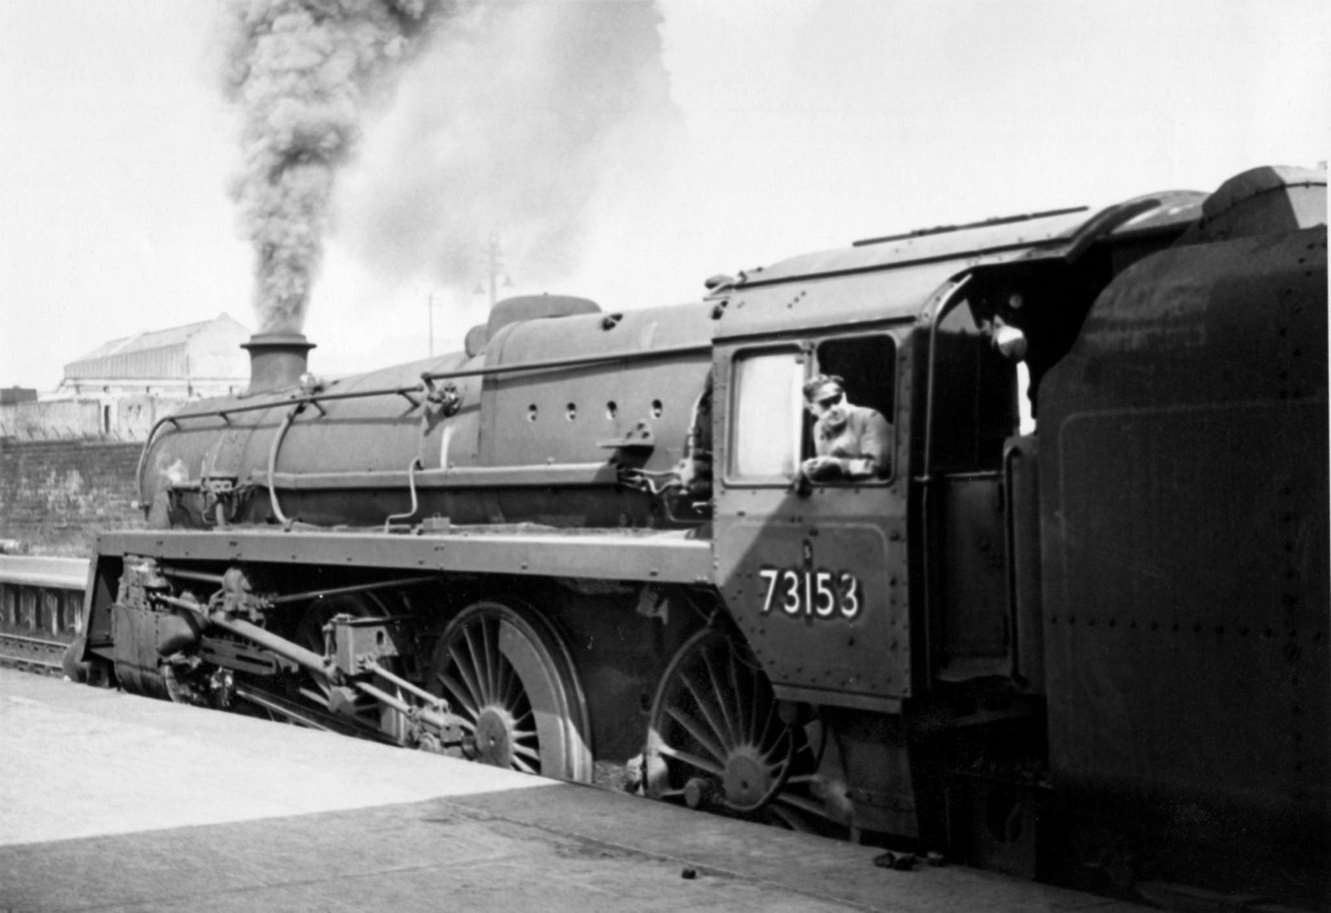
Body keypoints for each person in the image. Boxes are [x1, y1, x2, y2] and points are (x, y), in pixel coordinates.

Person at [800, 374, 891, 481]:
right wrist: (805, 473)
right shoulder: (818, 427)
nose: (834, 408)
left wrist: (839, 465)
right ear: (812, 409)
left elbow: (877, 467)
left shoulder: (870, 418)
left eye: (837, 399)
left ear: (845, 396)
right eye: (825, 404)